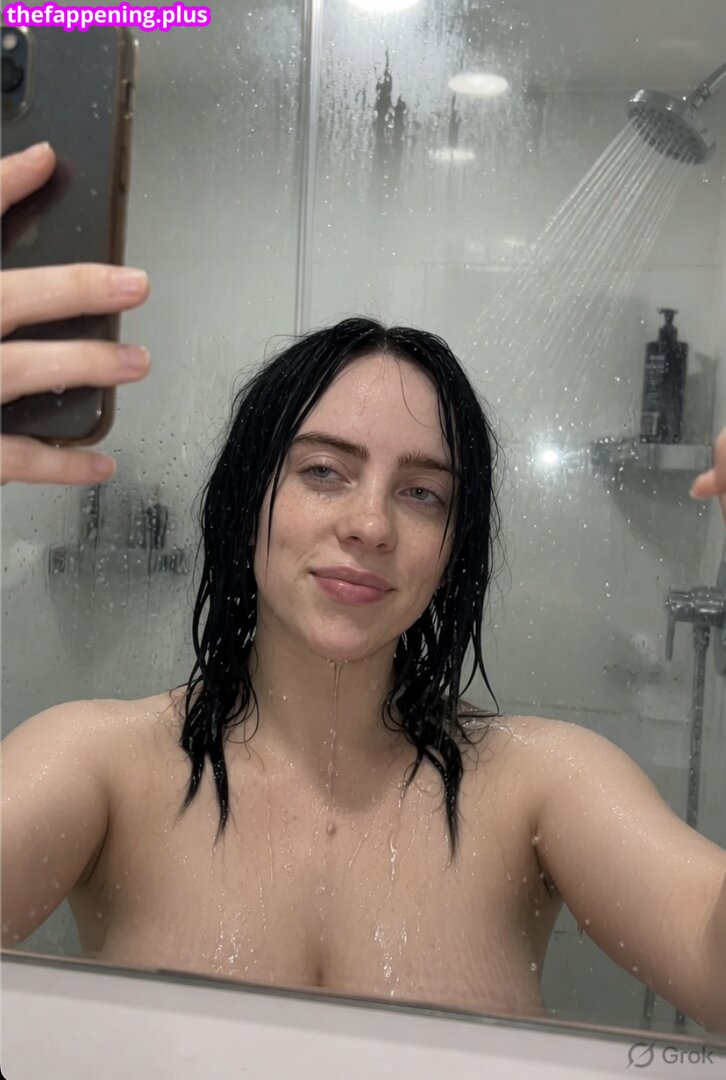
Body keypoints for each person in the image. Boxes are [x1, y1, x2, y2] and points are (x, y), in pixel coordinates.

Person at [2, 142, 726, 1031]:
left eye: (423, 493)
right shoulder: (97, 766)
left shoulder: (542, 787)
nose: (372, 524)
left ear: (452, 550)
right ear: (246, 502)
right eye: (323, 472)